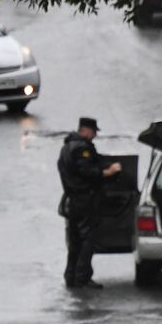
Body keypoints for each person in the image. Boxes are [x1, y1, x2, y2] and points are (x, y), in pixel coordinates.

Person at [58, 116, 122, 289]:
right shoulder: (82, 148)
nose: (94, 136)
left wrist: (103, 162)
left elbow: (92, 161)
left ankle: (70, 276)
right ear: (85, 130)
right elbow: (87, 171)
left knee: (75, 239)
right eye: (93, 132)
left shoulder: (67, 147)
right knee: (87, 238)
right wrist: (108, 172)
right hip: (84, 199)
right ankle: (82, 278)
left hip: (72, 199)